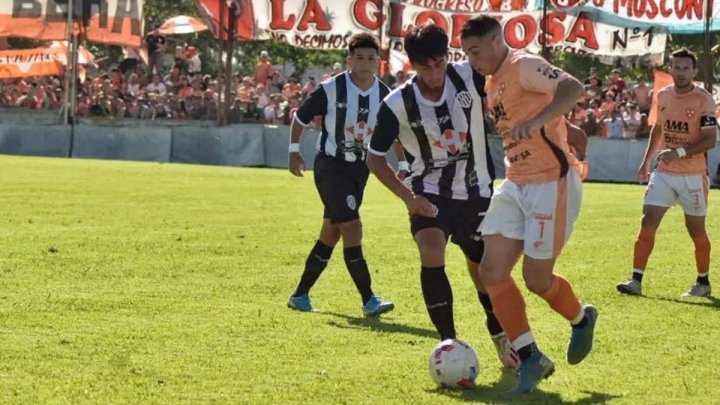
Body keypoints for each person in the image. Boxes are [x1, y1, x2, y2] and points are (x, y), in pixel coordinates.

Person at [367, 23, 519, 369]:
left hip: (478, 191)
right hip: (428, 191)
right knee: (431, 250)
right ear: (412, 65)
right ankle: (448, 344)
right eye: (425, 67)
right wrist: (409, 198)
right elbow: (374, 157)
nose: (435, 74)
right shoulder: (397, 103)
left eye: (439, 64)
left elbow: (513, 84)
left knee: (484, 270)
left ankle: (499, 333)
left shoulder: (469, 75)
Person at [459, 16, 598, 393]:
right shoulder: (491, 82)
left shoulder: (523, 64)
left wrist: (542, 121)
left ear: (494, 40)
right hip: (516, 182)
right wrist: (560, 124)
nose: (471, 59)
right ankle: (530, 355)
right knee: (491, 271)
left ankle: (581, 319)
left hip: (550, 181)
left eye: (475, 51)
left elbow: (572, 86)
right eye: (466, 53)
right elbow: (544, 106)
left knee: (537, 280)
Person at [286, 33, 395, 316]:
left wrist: (405, 166)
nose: (365, 63)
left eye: (371, 58)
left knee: (331, 232)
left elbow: (395, 134)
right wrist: (294, 150)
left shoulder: (385, 95)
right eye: (359, 57)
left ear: (378, 62)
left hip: (360, 168)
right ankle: (369, 299)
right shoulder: (331, 88)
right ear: (349, 60)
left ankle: (300, 295)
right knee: (352, 228)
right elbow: (300, 116)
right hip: (331, 167)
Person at [616, 48, 717, 297]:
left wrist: (679, 153)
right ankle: (635, 280)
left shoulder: (704, 99)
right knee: (647, 223)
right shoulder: (662, 95)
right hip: (664, 172)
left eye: (685, 68)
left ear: (694, 71)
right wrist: (646, 160)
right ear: (670, 69)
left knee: (696, 230)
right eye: (676, 67)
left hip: (693, 175)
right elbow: (658, 129)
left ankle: (703, 282)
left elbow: (710, 140)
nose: (680, 72)